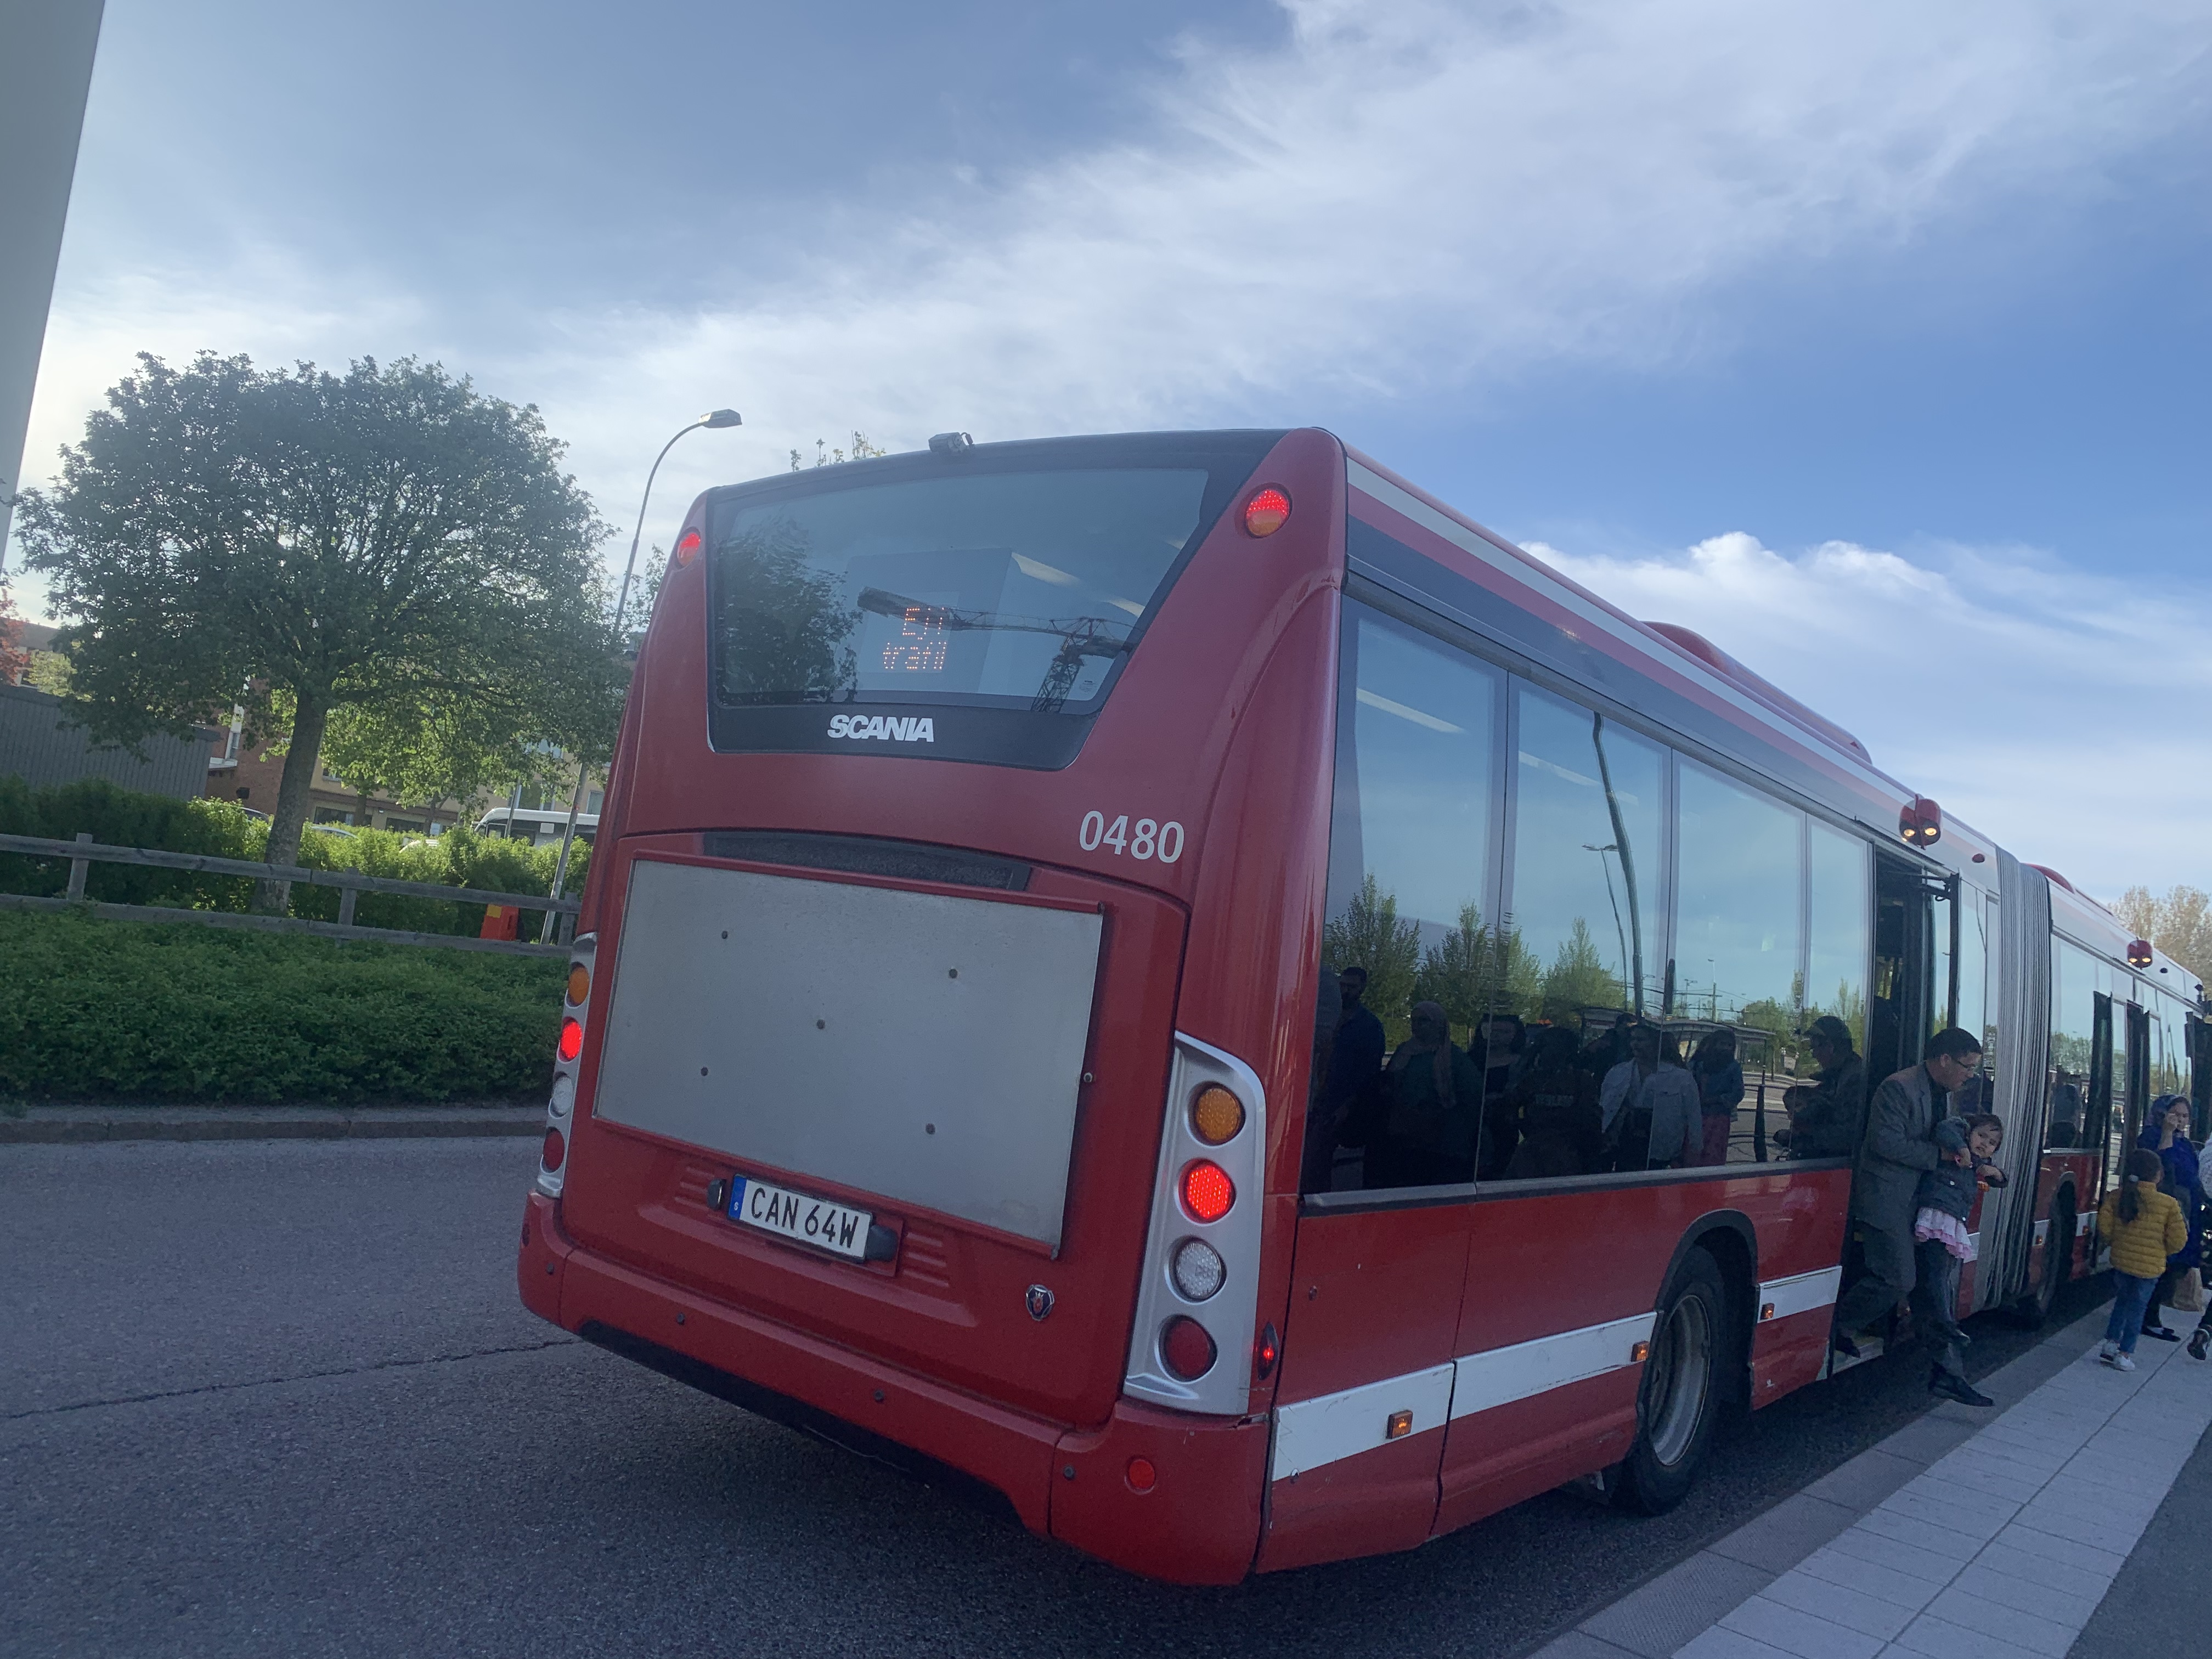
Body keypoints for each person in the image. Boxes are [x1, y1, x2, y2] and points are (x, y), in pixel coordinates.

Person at [1830, 1026, 1984, 1357]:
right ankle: (1838, 1325)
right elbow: (1885, 1143)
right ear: (1945, 1060)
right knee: (1898, 1279)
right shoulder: (1899, 1087)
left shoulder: (1943, 1092)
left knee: (1929, 1279)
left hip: (1921, 1201)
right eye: (1968, 1066)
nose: (1971, 1075)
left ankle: (1942, 1356)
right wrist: (1941, 1156)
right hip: (1888, 1199)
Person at [1910, 1112, 2006, 1407]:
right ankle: (1947, 1329)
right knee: (1937, 1281)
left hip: (1950, 1223)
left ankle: (1949, 1371)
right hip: (1935, 1218)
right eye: (1981, 1136)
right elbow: (1946, 1128)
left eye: (1992, 1143)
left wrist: (1994, 1172)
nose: (1984, 1144)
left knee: (1939, 1282)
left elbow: (2002, 1180)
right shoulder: (1956, 1142)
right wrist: (1963, 1149)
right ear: (1969, 1132)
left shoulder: (1976, 1164)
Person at [1358, 1000, 1481, 1190]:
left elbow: (1472, 1096)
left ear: (1439, 1024)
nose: (1416, 1025)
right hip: (1400, 1135)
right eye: (1413, 1020)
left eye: (1424, 1020)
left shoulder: (1454, 1058)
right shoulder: (1404, 1051)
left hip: (1439, 1142)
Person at [2097, 1148, 2187, 1372]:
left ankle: (2110, 1343)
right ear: (2158, 1175)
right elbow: (2178, 1240)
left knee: (2122, 1301)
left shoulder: (2118, 1196)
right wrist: (2162, 1251)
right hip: (2150, 1267)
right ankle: (2125, 1353)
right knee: (2138, 1309)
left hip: (2122, 1260)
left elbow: (2105, 1225)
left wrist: (2117, 1240)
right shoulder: (2168, 1204)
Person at [1303, 965, 1386, 1192]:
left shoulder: (1369, 1027)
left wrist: (1347, 1107)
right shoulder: (1323, 1016)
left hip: (1337, 1105)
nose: (1345, 991)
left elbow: (1369, 1074)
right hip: (1310, 1099)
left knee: (1317, 1164)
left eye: (1352, 987)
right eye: (1343, 985)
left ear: (1362, 989)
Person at [2136, 1094, 2205, 1342]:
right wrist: (2167, 1132)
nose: (2180, 1120)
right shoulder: (2152, 1136)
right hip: (2163, 1210)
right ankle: (2147, 1317)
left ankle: (2152, 1315)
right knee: (2162, 1266)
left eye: (2185, 1116)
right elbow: (2161, 1168)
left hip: (2186, 1210)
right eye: (2175, 1114)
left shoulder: (2186, 1144)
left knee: (2178, 1266)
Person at [1502, 1026, 1604, 1178]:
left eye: (1553, 1047)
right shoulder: (1531, 1078)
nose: (1547, 1052)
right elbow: (1510, 1110)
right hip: (1533, 1154)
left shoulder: (1581, 1080)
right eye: (1545, 1047)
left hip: (1570, 1155)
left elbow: (1592, 1122)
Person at [1600, 1023, 1701, 1171]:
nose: (1635, 1044)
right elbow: (1603, 1108)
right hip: (1622, 1146)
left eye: (1641, 1040)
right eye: (1633, 1039)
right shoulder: (1617, 1072)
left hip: (1662, 1150)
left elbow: (1694, 1117)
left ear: (1656, 1043)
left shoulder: (1681, 1078)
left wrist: (1694, 1151)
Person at [1782, 1016, 1867, 1160]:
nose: (1814, 1054)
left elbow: (1846, 1138)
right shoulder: (1838, 1075)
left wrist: (1806, 1131)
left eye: (1816, 1047)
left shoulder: (1854, 1080)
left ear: (1830, 1046)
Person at [1477, 1013, 1528, 1180]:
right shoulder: (1470, 1060)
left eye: (1505, 1032)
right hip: (1471, 1124)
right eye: (1492, 1031)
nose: (1497, 1036)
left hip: (1503, 1126)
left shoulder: (1522, 1064)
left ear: (1516, 1035)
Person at [1689, 1029, 1745, 1167]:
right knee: (1693, 1151)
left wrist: (1718, 1100)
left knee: (1714, 1153)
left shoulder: (1734, 1067)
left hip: (1719, 1116)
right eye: (1722, 1044)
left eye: (1729, 1045)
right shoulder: (1699, 1064)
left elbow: (1738, 1093)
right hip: (1696, 1114)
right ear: (1714, 1044)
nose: (1726, 1048)